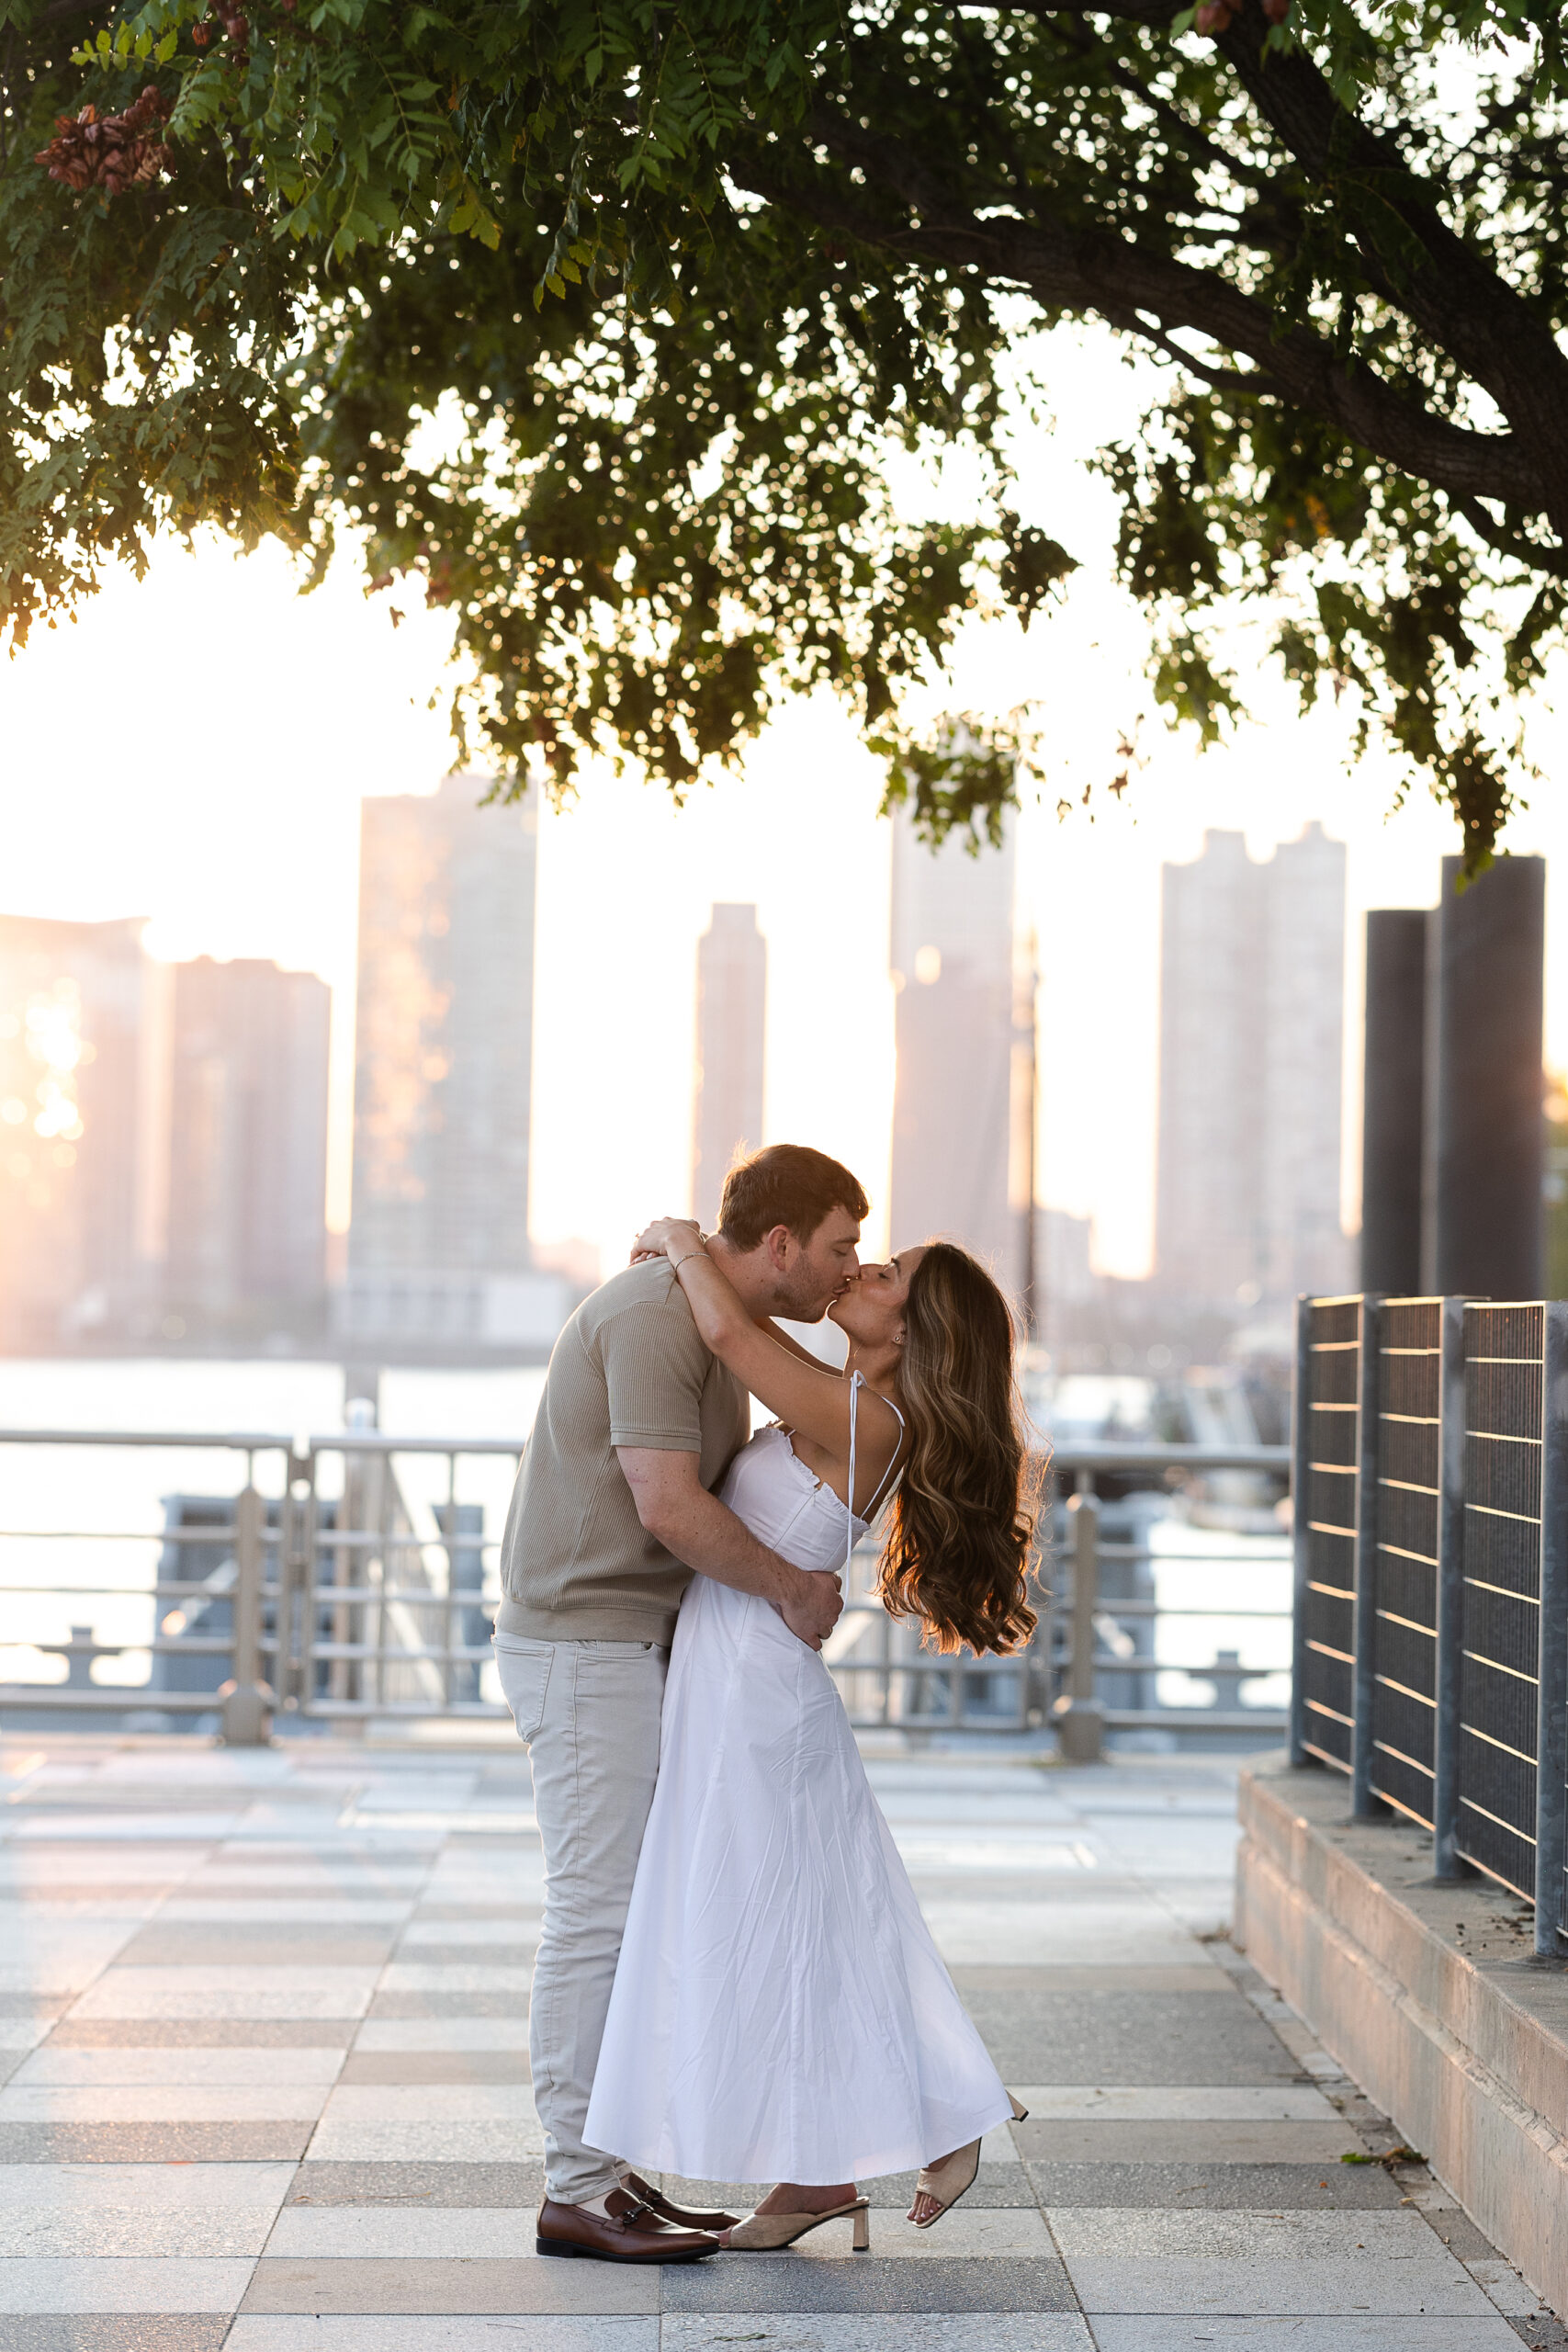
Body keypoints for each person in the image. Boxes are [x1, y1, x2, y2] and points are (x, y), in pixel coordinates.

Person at [584, 1220, 1038, 2248]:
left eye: (892, 1275)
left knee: (791, 1931)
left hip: (755, 1699)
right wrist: (702, 1266)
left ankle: (939, 2122)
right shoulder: (848, 1398)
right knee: (807, 1927)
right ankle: (823, 2177)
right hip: (738, 1685)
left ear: (919, 1331)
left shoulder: (869, 1420)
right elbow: (741, 1330)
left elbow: (733, 1338)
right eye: (870, 1258)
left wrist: (680, 1238)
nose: (866, 1269)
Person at [491, 1144, 870, 2266]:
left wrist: (682, 1238)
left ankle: (607, 2168)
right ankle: (576, 2190)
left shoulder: (712, 1321)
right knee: (597, 1913)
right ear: (783, 1242)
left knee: (632, 1914)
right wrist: (796, 1585)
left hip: (627, 1644)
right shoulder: (661, 1319)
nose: (848, 1270)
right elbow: (664, 1504)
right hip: (583, 1643)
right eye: (841, 1245)